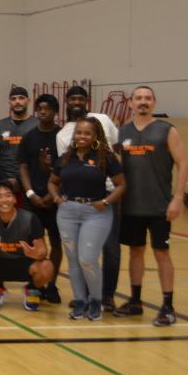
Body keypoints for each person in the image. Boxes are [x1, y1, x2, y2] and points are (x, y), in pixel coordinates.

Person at [115, 86, 188, 326]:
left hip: (159, 207)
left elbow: (183, 164)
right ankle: (135, 302)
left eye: (147, 98)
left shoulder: (167, 130)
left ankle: (168, 306)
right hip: (131, 207)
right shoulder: (122, 131)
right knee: (135, 252)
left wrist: (178, 198)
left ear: (154, 103)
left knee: (161, 254)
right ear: (131, 103)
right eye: (138, 98)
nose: (143, 102)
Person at [48, 117, 125, 321]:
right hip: (67, 212)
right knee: (73, 260)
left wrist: (107, 202)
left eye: (87, 133)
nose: (82, 136)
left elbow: (121, 185)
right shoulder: (66, 158)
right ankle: (80, 301)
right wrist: (56, 198)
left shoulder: (105, 157)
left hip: (95, 212)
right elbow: (53, 182)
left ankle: (96, 301)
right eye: (79, 132)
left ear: (95, 136)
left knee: (87, 259)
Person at [56, 85, 121, 307]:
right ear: (66, 101)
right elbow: (65, 167)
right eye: (72, 98)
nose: (76, 102)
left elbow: (117, 146)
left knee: (110, 248)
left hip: (107, 194)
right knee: (80, 255)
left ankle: (108, 295)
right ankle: (83, 295)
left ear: (86, 101)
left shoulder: (102, 119)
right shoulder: (62, 134)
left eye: (80, 98)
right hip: (77, 200)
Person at [0, 180, 55, 311]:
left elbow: (42, 251)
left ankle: (32, 290)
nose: (4, 200)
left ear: (14, 199)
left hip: (24, 262)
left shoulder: (29, 218)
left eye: (8, 195)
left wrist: (34, 253)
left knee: (47, 266)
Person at [18, 94, 64, 304]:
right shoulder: (29, 137)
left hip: (55, 199)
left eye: (48, 108)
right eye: (40, 108)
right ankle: (34, 282)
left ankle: (52, 284)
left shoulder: (62, 137)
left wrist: (51, 195)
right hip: (33, 199)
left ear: (56, 112)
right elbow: (23, 167)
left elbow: (66, 169)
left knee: (56, 242)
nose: (43, 112)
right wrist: (31, 194)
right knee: (33, 243)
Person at [0, 87, 38, 191]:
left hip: (30, 181)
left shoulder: (37, 124)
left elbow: (38, 157)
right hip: (3, 180)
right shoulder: (0, 125)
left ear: (28, 101)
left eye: (21, 98)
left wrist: (20, 180)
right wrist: (6, 179)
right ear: (9, 102)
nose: (17, 102)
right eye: (13, 99)